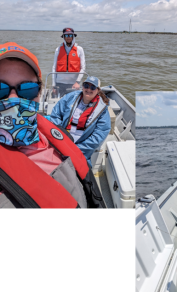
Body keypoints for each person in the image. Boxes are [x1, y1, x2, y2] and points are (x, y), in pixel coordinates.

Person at [0, 42, 106, 209]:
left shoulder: (102, 112)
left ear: (40, 93)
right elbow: (57, 114)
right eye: (0, 89)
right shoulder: (70, 99)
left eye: (27, 89)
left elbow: (99, 136)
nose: (12, 99)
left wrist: (78, 147)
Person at [50, 76, 111, 168]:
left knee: (80, 173)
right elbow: (56, 114)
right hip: (62, 139)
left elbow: (99, 135)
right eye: (86, 85)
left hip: (81, 148)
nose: (88, 89)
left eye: (93, 87)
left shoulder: (102, 109)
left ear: (98, 90)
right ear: (82, 86)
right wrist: (59, 135)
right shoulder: (70, 97)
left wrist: (77, 149)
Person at [52, 27, 86, 97]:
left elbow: (83, 67)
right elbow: (54, 67)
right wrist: (53, 85)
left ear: (73, 36)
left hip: (74, 83)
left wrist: (77, 82)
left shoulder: (79, 49)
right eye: (66, 35)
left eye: (70, 35)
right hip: (60, 83)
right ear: (63, 37)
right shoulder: (58, 50)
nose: (68, 37)